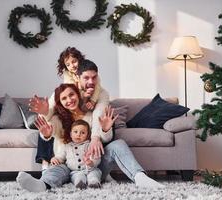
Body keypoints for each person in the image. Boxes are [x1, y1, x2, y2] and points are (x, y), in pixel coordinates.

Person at [17, 76, 164, 192]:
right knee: (55, 169)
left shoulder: (92, 114)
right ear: (60, 103)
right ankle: (42, 185)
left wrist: (106, 130)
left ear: (78, 95)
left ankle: (140, 178)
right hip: (68, 165)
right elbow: (50, 129)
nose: (69, 100)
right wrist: (47, 133)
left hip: (94, 167)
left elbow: (103, 139)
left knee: (118, 144)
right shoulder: (58, 118)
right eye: (64, 99)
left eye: (71, 95)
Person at [33, 48, 108, 170]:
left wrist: (95, 137)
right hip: (62, 118)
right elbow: (51, 107)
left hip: (85, 122)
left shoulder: (98, 89)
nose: (72, 66)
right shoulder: (67, 86)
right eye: (68, 64)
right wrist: (44, 112)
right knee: (45, 126)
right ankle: (45, 161)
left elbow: (99, 112)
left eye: (74, 62)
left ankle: (102, 168)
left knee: (106, 123)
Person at [39, 119, 103, 189]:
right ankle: (80, 184)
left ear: (87, 135)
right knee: (78, 177)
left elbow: (97, 157)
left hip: (91, 169)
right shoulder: (67, 146)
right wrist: (56, 158)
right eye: (75, 132)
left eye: (83, 133)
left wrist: (91, 162)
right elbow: (61, 156)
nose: (78, 134)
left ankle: (94, 183)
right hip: (75, 171)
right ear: (71, 134)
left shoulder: (89, 145)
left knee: (94, 174)